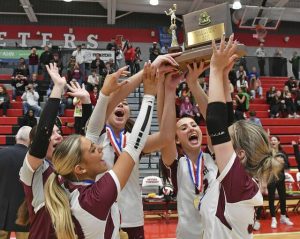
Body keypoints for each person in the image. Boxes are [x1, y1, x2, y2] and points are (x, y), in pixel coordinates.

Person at [20, 62, 156, 239]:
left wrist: (98, 97)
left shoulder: (67, 177)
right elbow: (131, 146)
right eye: (51, 133)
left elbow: (91, 132)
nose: (100, 147)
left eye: (59, 132)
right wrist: (58, 88)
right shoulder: (40, 174)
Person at [84, 61, 179, 239]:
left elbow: (166, 136)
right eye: (118, 102)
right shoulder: (94, 137)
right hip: (101, 217)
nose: (121, 105)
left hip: (132, 218)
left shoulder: (134, 139)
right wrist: (144, 75)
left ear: (129, 112)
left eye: (126, 103)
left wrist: (168, 90)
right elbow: (108, 104)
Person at [199, 35, 282, 238]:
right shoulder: (241, 182)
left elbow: (216, 124)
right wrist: (225, 76)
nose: (222, 141)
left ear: (241, 154)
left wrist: (215, 70)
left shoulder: (239, 185)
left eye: (229, 140)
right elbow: (226, 122)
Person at [160, 61, 218, 239]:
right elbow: (166, 134)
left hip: (217, 233)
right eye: (183, 128)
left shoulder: (213, 156)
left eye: (193, 125)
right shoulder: (176, 164)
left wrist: (193, 83)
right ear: (176, 138)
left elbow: (213, 119)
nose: (191, 128)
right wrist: (169, 90)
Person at [0, 126, 32, 239]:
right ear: (31, 139)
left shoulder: (2, 154)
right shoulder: (33, 159)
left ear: (16, 138)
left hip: (2, 211)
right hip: (25, 214)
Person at [267, 136, 294, 228]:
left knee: (283, 198)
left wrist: (282, 163)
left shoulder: (283, 153)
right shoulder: (269, 153)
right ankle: (273, 219)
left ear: (278, 142)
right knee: (271, 199)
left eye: (274, 140)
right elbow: (265, 164)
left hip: (281, 178)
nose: (272, 141)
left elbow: (287, 166)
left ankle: (283, 217)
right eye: (271, 140)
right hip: (271, 178)